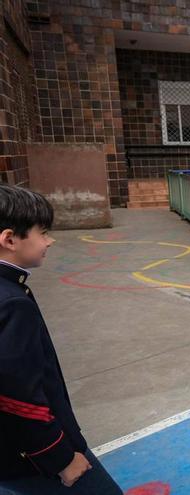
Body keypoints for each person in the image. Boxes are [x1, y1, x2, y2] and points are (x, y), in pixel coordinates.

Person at [0, 185, 124, 495]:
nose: (49, 241)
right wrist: (59, 458)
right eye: (42, 233)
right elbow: (19, 397)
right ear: (10, 239)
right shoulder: (11, 302)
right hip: (29, 454)